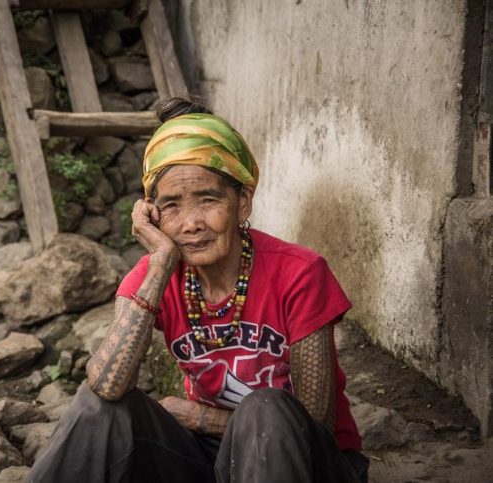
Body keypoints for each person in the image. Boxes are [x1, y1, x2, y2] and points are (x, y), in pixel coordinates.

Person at [27, 97, 369, 483]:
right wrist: (159, 263)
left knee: (267, 408)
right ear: (151, 215)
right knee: (98, 406)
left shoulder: (300, 272)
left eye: (208, 199)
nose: (191, 223)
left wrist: (204, 418)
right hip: (213, 455)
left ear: (242, 203)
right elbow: (107, 384)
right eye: (171, 205)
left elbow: (314, 425)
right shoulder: (157, 272)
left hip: (307, 463)